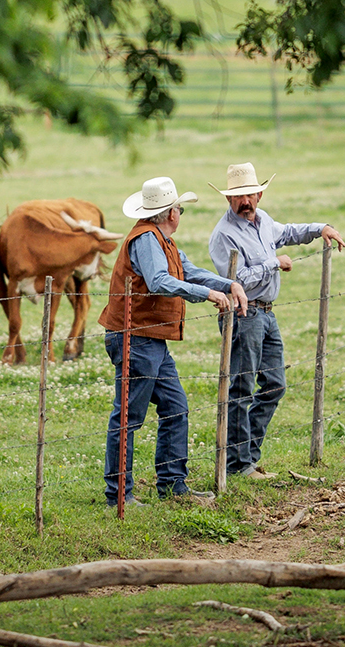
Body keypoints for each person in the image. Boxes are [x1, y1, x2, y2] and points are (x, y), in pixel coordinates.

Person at [99, 176, 249, 506]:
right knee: (128, 416)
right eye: (179, 208)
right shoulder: (147, 240)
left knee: (175, 407)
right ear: (170, 213)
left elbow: (187, 270)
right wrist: (207, 294)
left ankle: (172, 484)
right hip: (135, 336)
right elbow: (158, 281)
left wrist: (227, 285)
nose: (180, 213)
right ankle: (119, 495)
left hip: (149, 337)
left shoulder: (160, 239)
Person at [208, 163, 345, 480]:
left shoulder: (264, 220)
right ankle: (237, 465)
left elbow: (287, 232)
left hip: (266, 313)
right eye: (237, 197)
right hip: (244, 314)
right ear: (228, 200)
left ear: (259, 194)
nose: (245, 201)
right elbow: (236, 277)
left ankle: (247, 458)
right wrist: (274, 263)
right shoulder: (223, 235)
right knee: (241, 387)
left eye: (249, 195)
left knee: (274, 384)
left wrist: (319, 228)